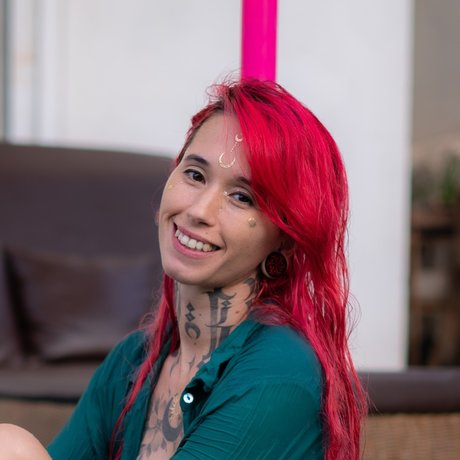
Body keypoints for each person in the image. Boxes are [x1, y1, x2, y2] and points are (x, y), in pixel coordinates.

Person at [0, 78, 366, 459]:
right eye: (195, 175)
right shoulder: (131, 361)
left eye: (241, 197)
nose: (199, 210)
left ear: (284, 240)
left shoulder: (280, 369)